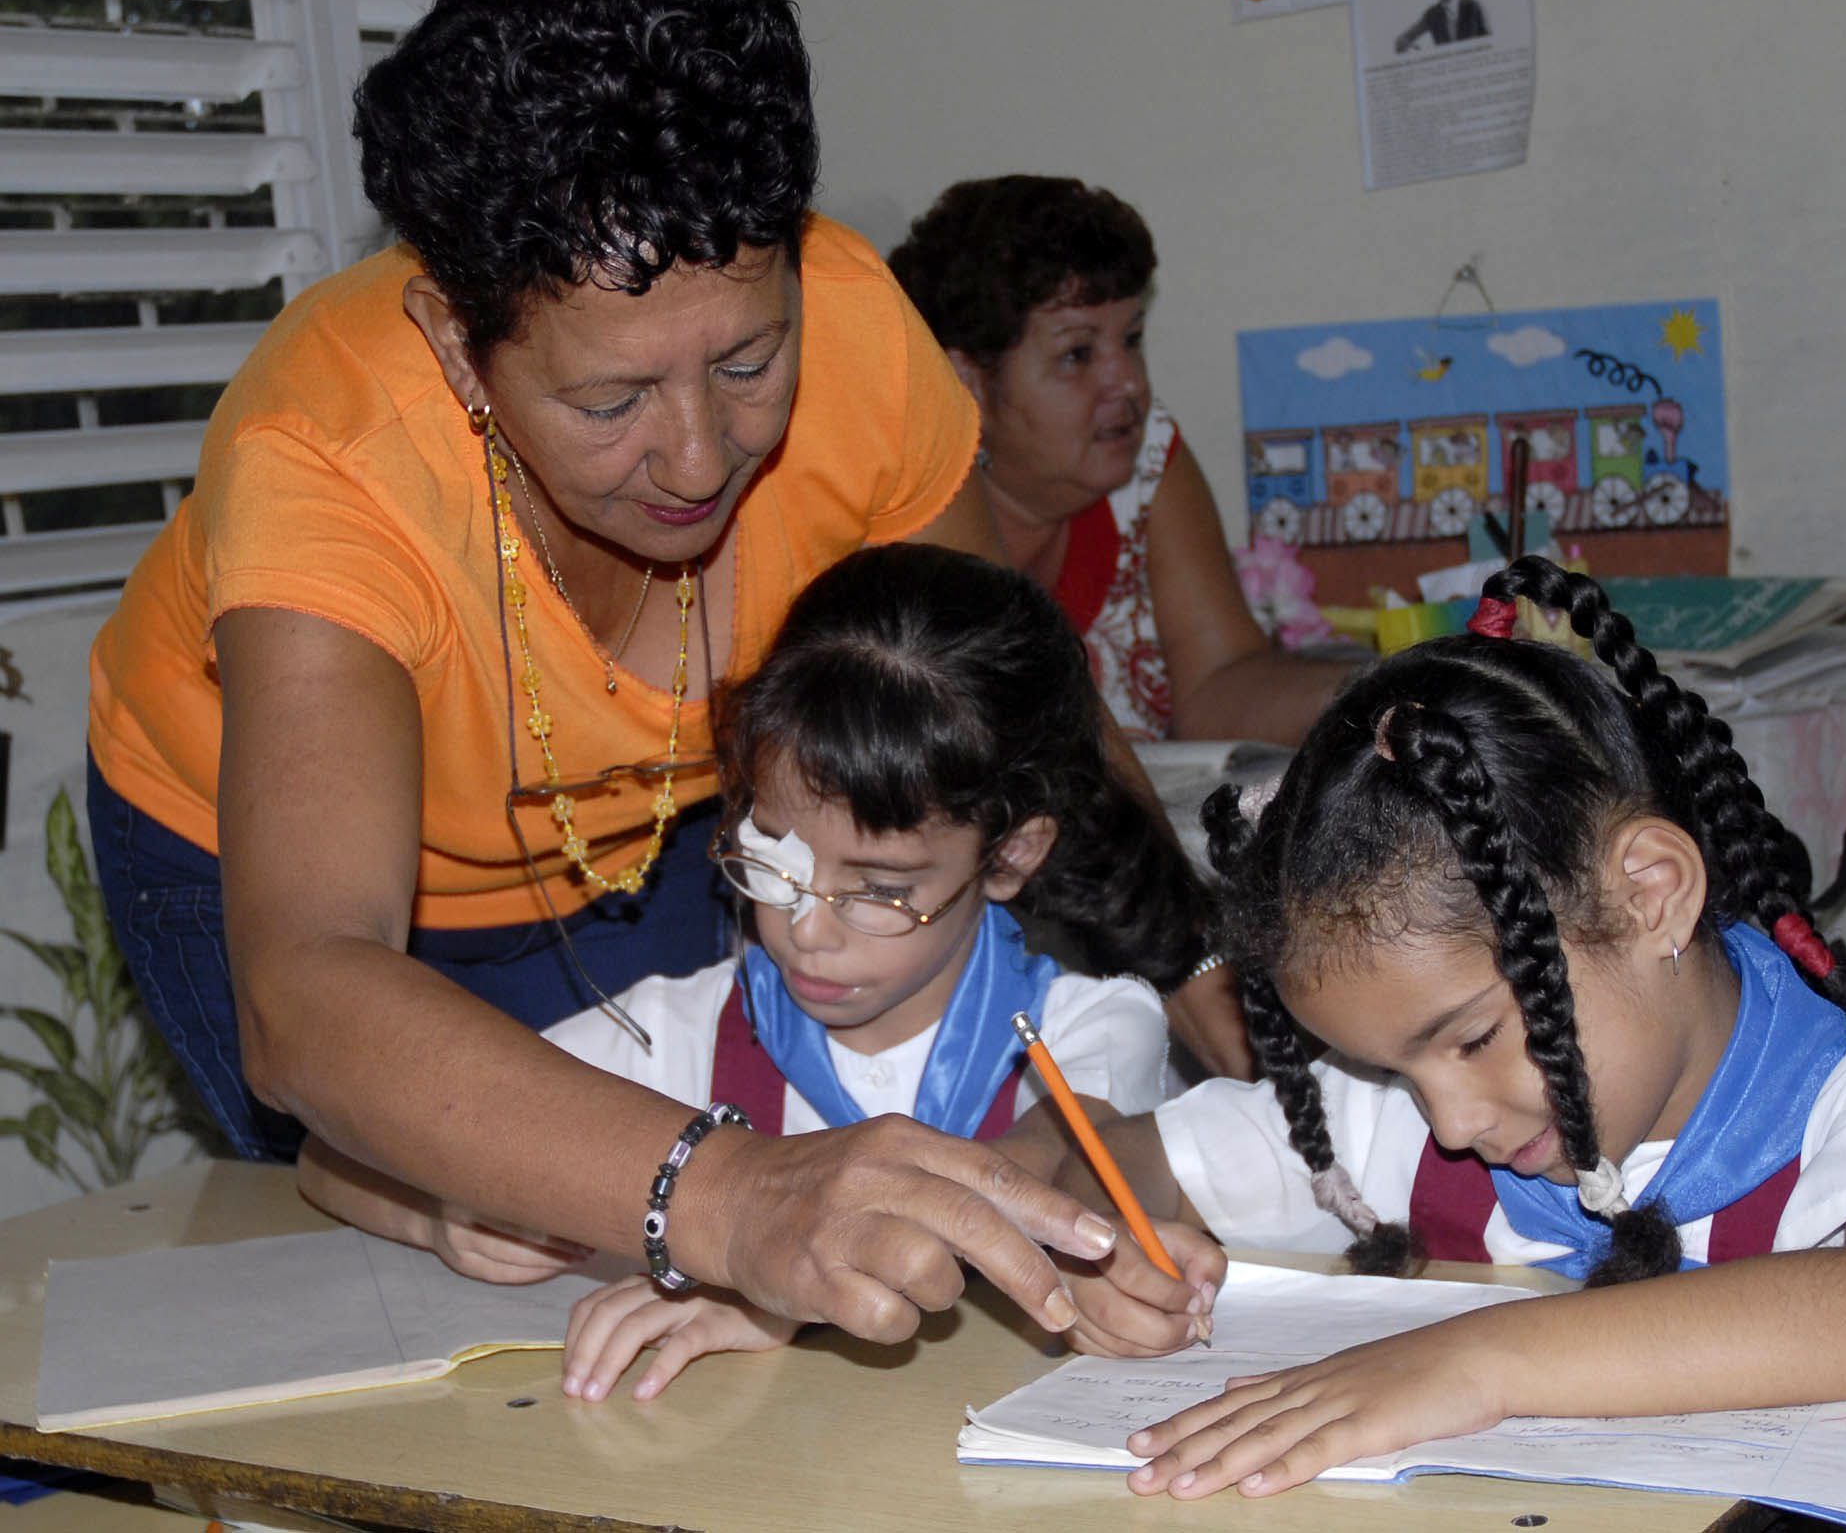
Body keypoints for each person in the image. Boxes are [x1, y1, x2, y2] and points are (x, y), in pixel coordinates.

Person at [84, 0, 1118, 1349]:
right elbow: (314, 989)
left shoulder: (867, 338)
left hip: (653, 817)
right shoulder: (326, 448)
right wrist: (734, 1190)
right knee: (458, 1279)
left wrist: (1209, 982)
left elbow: (1015, 727)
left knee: (692, 1254)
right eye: (611, 400)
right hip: (275, 864)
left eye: (751, 359)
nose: (700, 457)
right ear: (457, 340)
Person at [1048, 555, 1846, 1500]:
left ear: (1650, 894)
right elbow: (1110, 1159)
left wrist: (1472, 1362)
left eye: (1472, 1039)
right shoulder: (1392, 1118)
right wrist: (1103, 1255)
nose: (1454, 1122)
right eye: (1390, 1065)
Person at [300, 544, 1202, 1398]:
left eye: (879, 889)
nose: (807, 930)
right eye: (773, 860)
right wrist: (443, 1216)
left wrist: (768, 1274)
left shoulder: (1094, 1025)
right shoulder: (674, 1030)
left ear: (1010, 855)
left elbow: (1041, 1177)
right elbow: (332, 1149)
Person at [887, 176, 1354, 750]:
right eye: (1077, 355)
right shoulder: (897, 509)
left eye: (1131, 339)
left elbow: (1219, 686)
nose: (1129, 383)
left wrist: (1388, 691)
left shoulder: (1148, 456)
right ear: (965, 382)